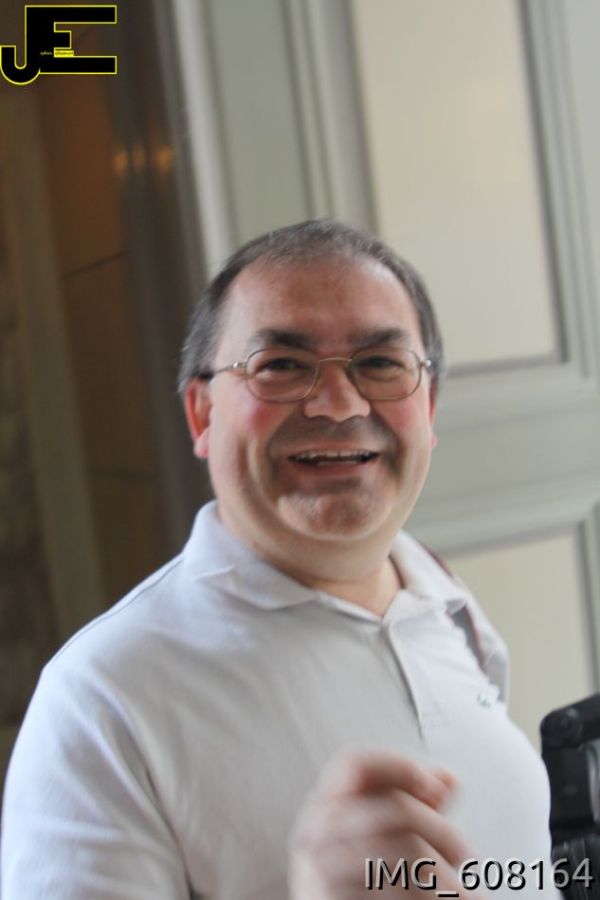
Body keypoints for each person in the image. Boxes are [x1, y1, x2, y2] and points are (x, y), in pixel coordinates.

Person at [1, 220, 559, 898]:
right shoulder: (99, 703)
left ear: (430, 405)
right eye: (282, 366)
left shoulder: (443, 598)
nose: (339, 405)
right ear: (202, 415)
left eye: (380, 364)